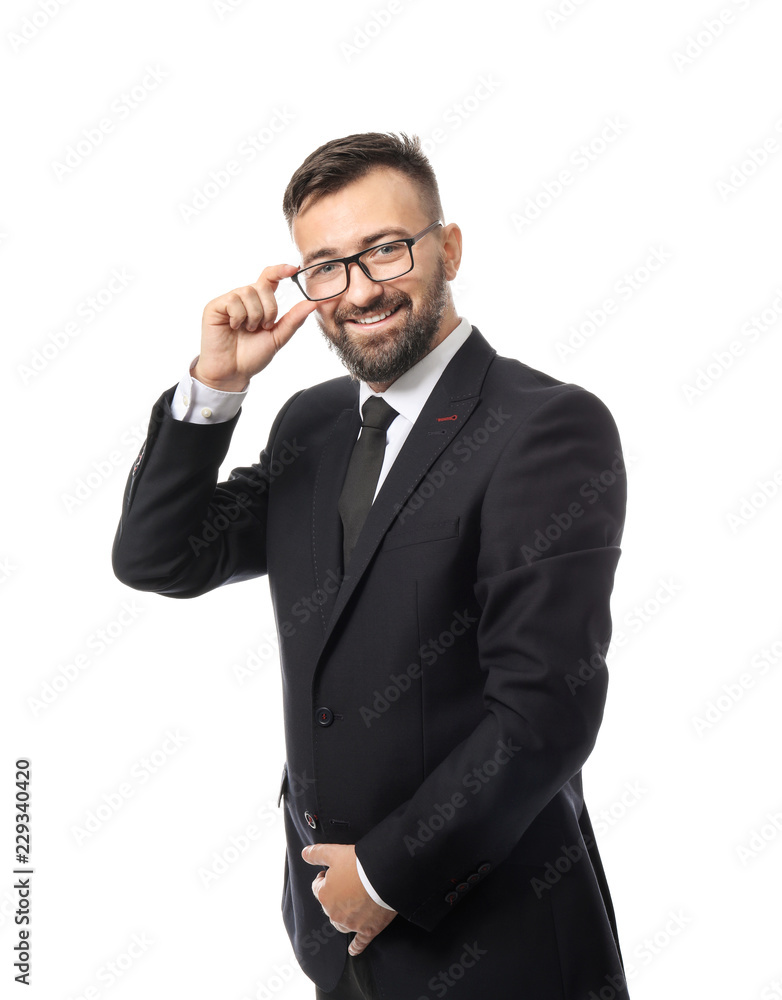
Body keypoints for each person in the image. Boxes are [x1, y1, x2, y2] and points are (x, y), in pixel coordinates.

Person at [112, 131, 630, 1000]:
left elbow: (546, 710)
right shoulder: (311, 425)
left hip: (499, 944)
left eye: (384, 249)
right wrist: (215, 387)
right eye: (326, 266)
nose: (359, 290)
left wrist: (385, 876)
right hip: (337, 945)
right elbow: (160, 555)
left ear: (448, 247)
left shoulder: (546, 427)